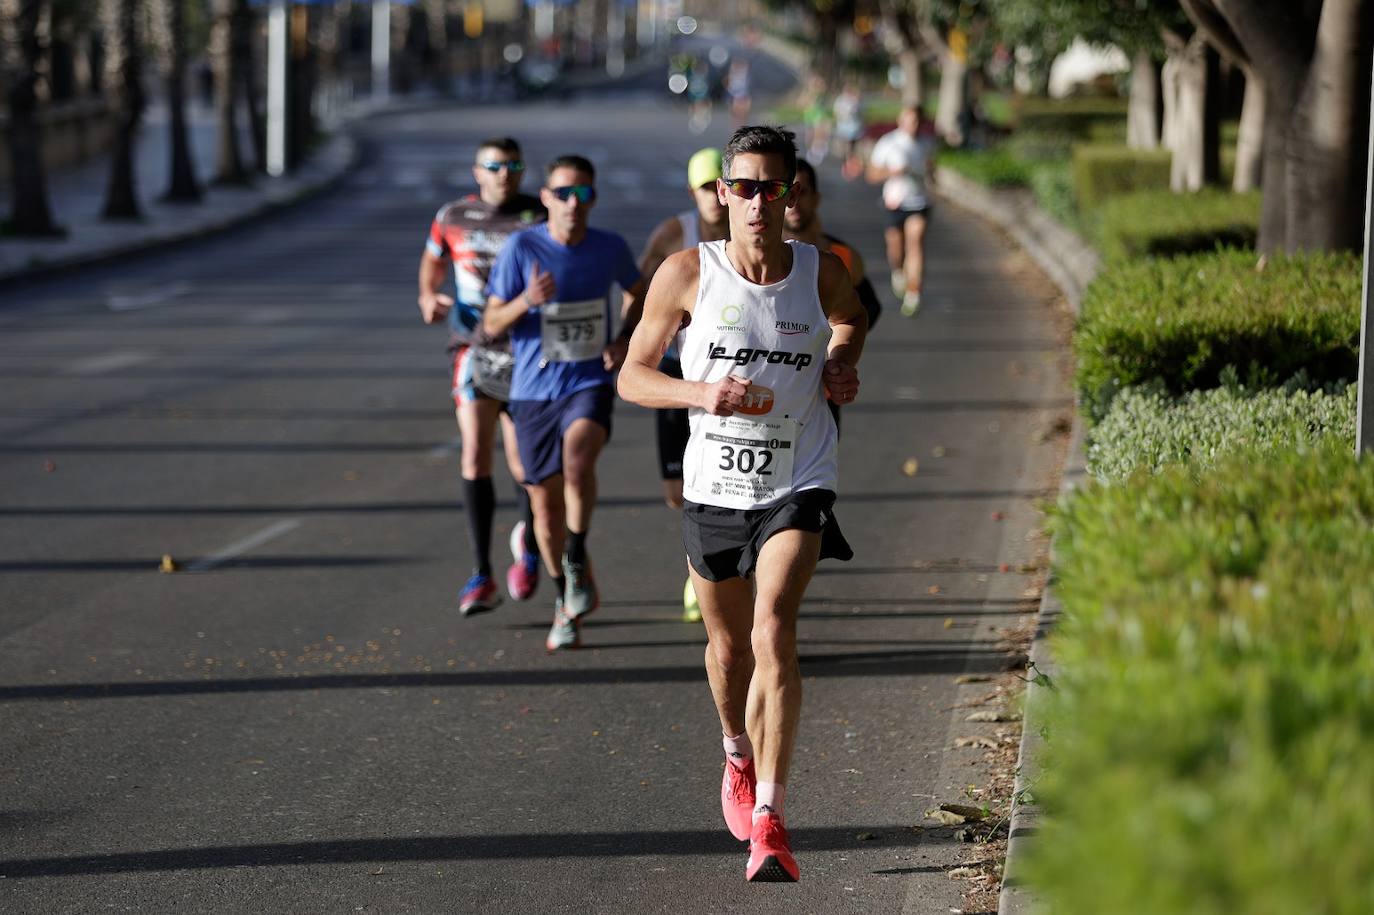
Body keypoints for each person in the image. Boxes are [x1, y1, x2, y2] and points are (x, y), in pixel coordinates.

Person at [618, 126, 867, 883]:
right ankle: (735, 749)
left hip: (799, 475)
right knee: (728, 651)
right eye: (745, 187)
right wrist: (702, 392)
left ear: (792, 193)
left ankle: (771, 815)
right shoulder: (687, 273)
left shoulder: (822, 272)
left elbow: (851, 320)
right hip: (714, 486)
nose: (759, 201)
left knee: (773, 628)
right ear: (724, 193)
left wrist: (839, 364)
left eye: (773, 187)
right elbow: (631, 376)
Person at [483, 155, 646, 652]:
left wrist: (623, 340)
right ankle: (564, 596)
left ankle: (576, 553)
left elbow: (640, 293)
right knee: (544, 509)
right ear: (547, 198)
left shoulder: (609, 248)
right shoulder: (521, 247)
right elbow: (490, 324)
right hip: (532, 392)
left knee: (578, 458)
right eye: (562, 194)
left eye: (583, 194)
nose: (572, 204)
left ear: (592, 199)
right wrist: (525, 301)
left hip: (586, 381)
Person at [417, 137, 546, 616]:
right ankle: (481, 574)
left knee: (522, 463)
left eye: (513, 165)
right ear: (477, 171)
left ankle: (529, 548)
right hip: (472, 345)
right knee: (474, 452)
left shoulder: (539, 213)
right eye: (494, 166)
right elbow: (432, 261)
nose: (504, 173)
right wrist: (428, 296)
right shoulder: (453, 217)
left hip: (528, 349)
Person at [635, 148, 731, 621]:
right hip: (678, 372)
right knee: (678, 488)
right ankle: (701, 559)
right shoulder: (676, 233)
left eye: (721, 184)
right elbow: (642, 287)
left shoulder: (751, 230)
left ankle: (707, 572)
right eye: (703, 187)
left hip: (730, 377)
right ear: (692, 193)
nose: (715, 196)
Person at [784, 157, 882, 436]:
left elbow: (867, 310)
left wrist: (838, 353)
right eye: (788, 192)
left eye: (802, 193)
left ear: (816, 199)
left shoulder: (843, 257)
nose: (794, 202)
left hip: (821, 392)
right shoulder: (760, 258)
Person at [866, 105, 937, 317]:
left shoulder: (926, 144)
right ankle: (898, 272)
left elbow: (931, 172)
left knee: (915, 243)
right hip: (894, 203)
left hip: (919, 202)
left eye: (917, 121)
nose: (913, 126)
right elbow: (871, 175)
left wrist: (931, 179)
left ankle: (914, 294)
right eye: (909, 120)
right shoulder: (889, 143)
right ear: (901, 120)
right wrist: (892, 172)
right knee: (896, 249)